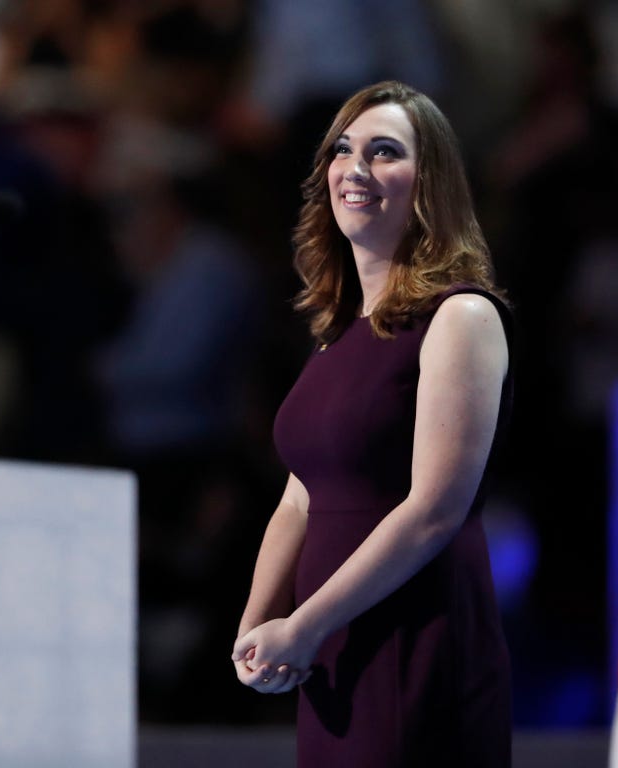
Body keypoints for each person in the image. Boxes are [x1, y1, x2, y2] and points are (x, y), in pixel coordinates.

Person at [231, 80, 514, 766]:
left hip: (411, 638)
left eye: (384, 151)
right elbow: (299, 496)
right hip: (330, 651)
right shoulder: (337, 335)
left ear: (429, 184)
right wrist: (258, 621)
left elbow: (433, 512)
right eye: (343, 149)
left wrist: (305, 624)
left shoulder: (461, 317)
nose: (355, 168)